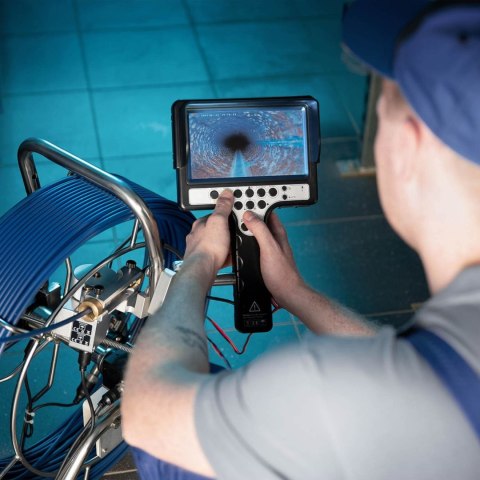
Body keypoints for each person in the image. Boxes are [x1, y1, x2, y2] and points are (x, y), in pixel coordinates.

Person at [121, 0, 480, 478]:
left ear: (407, 146)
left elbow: (148, 415)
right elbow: (422, 364)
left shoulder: (324, 389)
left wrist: (198, 265)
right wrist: (295, 292)